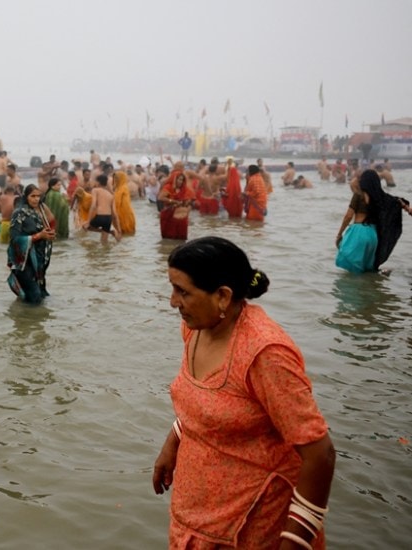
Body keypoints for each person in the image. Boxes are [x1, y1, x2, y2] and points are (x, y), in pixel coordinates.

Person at [154, 236, 335, 549]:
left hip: (253, 521)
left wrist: (294, 541)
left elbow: (320, 454)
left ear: (223, 296)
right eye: (172, 288)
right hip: (196, 512)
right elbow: (210, 400)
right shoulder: (196, 327)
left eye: (183, 291)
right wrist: (173, 442)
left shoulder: (265, 354)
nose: (172, 302)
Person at [336, 169, 407, 273]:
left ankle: (358, 286)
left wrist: (339, 234)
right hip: (373, 236)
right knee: (367, 269)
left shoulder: (358, 195)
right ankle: (377, 278)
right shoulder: (378, 199)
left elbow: (348, 216)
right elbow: (395, 202)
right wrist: (406, 207)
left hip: (358, 233)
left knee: (352, 267)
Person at [7, 184, 55, 304]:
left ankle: (24, 319)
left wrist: (48, 235)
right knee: (35, 297)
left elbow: (42, 230)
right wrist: (39, 236)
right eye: (32, 196)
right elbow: (15, 240)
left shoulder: (36, 213)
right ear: (26, 197)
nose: (36, 199)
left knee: (37, 297)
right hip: (24, 264)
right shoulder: (18, 213)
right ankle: (29, 321)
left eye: (38, 196)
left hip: (37, 264)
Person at [158, 171, 196, 240]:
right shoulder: (168, 187)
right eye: (179, 179)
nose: (180, 181)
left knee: (181, 239)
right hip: (168, 215)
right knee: (168, 238)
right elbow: (160, 197)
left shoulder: (185, 189)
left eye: (182, 180)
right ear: (174, 179)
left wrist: (187, 209)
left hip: (181, 216)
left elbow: (192, 201)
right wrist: (174, 201)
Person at [84, 174, 121, 244]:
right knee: (104, 242)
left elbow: (93, 205)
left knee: (85, 226)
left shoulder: (95, 190)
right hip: (108, 218)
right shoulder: (111, 195)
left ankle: (110, 232)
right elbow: (115, 214)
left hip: (100, 216)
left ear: (98, 182)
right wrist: (119, 229)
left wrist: (88, 221)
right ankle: (111, 232)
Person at [112, 171, 136, 236]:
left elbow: (117, 202)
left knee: (126, 233)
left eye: (117, 178)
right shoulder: (119, 188)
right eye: (114, 178)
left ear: (121, 179)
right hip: (121, 214)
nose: (115, 180)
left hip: (125, 214)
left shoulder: (123, 188)